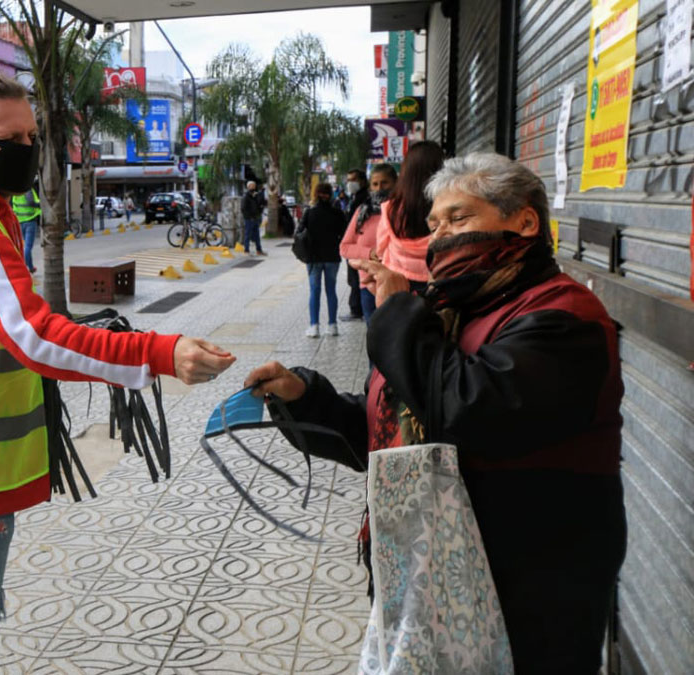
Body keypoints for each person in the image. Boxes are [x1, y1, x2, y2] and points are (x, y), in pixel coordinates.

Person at [0, 71, 236, 674]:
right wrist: (157, 353)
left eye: (32, 136)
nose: (28, 150)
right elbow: (34, 336)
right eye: (12, 140)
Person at [246, 153, 625, 673]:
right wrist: (303, 398)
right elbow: (392, 436)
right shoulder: (454, 308)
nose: (441, 236)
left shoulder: (564, 316)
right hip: (434, 578)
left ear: (524, 222)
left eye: (458, 218)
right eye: (435, 224)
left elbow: (465, 412)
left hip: (530, 590)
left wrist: (398, 313)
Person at [374, 140, 445, 293]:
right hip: (437, 278)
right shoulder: (447, 206)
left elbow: (381, 247)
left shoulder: (391, 208)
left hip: (398, 281)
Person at [340, 164, 397, 323]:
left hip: (396, 283)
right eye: (375, 184)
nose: (380, 188)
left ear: (395, 183)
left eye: (385, 183)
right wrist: (369, 253)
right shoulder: (363, 212)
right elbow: (344, 247)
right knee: (374, 333)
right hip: (368, 285)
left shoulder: (402, 210)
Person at [298, 182, 349, 338]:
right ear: (330, 195)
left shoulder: (309, 213)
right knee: (331, 290)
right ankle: (332, 325)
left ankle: (314, 326)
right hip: (332, 256)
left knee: (315, 291)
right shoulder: (338, 213)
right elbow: (345, 234)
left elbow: (299, 232)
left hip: (313, 258)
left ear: (316, 194)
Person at [341, 169, 369, 321]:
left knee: (356, 278)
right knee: (354, 278)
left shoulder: (362, 199)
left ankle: (358, 310)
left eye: (353, 180)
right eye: (348, 180)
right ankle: (357, 308)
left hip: (358, 245)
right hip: (353, 244)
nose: (350, 183)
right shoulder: (355, 197)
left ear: (362, 181)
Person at [10, 184, 40, 272]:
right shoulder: (27, 189)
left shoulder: (15, 192)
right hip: (30, 220)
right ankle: (24, 267)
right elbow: (30, 202)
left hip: (20, 221)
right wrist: (40, 204)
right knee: (28, 247)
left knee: (25, 246)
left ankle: (30, 267)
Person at [240, 180, 266, 255]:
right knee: (248, 235)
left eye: (254, 186)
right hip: (249, 219)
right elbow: (243, 208)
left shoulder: (255, 196)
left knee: (257, 235)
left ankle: (259, 250)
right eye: (252, 186)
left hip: (255, 218)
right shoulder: (246, 197)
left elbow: (260, 204)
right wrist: (249, 216)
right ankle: (246, 250)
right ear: (248, 187)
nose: (253, 188)